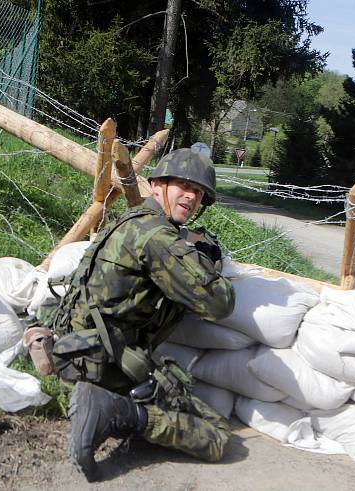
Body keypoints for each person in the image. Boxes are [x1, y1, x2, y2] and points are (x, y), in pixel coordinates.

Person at [36, 148, 236, 481]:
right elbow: (219, 303)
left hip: (79, 350)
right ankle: (119, 411)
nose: (192, 196)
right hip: (109, 364)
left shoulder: (129, 221)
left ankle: (101, 401)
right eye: (183, 186)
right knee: (218, 436)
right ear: (157, 185)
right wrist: (204, 260)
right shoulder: (159, 237)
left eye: (199, 192)